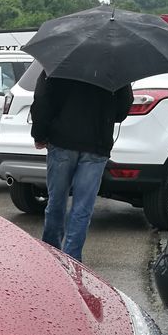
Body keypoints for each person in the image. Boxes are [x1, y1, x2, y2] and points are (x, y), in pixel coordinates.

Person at [31, 72, 133, 261]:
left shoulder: (60, 62)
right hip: (97, 145)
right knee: (82, 208)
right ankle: (72, 261)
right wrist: (107, 114)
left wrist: (39, 134)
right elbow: (124, 106)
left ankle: (51, 257)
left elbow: (42, 99)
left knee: (56, 202)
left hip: (62, 142)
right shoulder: (114, 66)